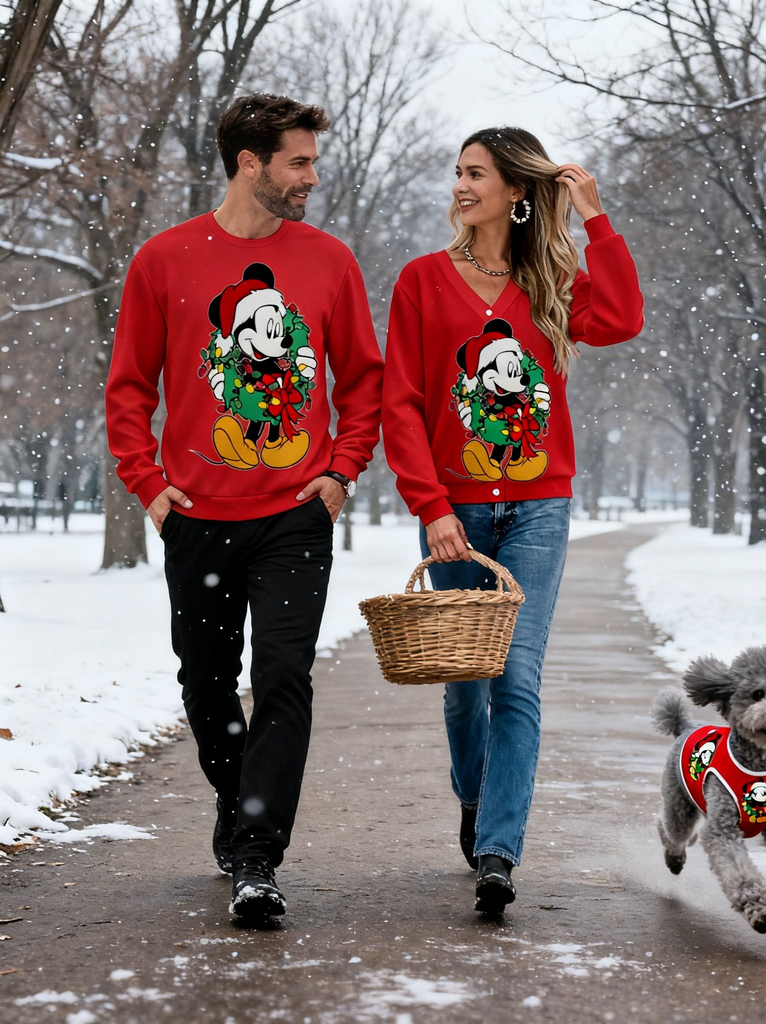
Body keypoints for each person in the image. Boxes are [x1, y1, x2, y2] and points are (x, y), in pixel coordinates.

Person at [105, 93, 384, 920]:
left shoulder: (330, 262)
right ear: (249, 163)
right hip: (196, 514)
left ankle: (258, 857)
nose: (312, 175)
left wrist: (340, 473)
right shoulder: (163, 259)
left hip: (296, 513)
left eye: (311, 160)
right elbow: (129, 388)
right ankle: (236, 805)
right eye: (298, 161)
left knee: (285, 676)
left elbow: (362, 381)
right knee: (208, 683)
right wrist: (151, 488)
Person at [382, 127, 643, 914]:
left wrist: (596, 220)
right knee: (464, 683)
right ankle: (473, 793)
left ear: (517, 191)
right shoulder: (423, 282)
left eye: (476, 174)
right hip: (454, 510)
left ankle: (498, 850)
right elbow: (402, 404)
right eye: (458, 172)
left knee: (517, 678)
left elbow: (624, 319)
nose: (461, 187)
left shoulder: (553, 282)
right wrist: (430, 509)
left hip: (539, 508)